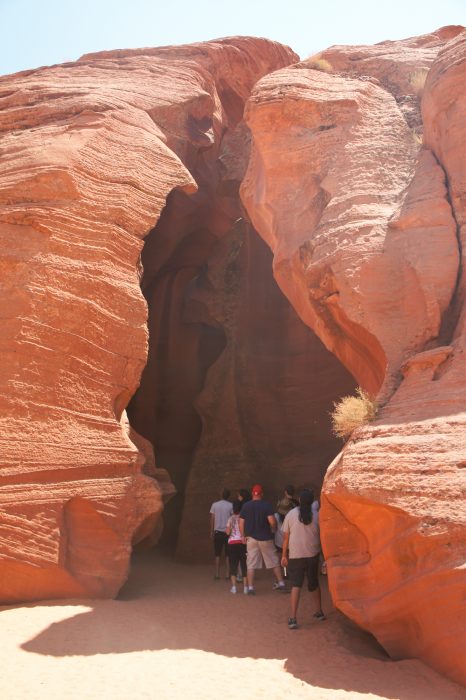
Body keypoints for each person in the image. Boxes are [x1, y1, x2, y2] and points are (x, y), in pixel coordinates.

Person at [281, 488, 325, 629]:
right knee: (314, 584)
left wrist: (283, 555)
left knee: (296, 585)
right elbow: (322, 537)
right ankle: (319, 612)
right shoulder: (317, 515)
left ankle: (293, 618)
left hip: (296, 555)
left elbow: (286, 538)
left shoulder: (291, 514)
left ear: (299, 500)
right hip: (312, 554)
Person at [239, 484, 285, 595]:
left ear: (252, 494)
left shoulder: (246, 506)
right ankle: (281, 583)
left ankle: (250, 587)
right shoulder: (266, 505)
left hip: (251, 538)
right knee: (274, 561)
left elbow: (241, 522)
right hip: (265, 537)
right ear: (262, 494)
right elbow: (272, 521)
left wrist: (242, 535)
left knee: (250, 563)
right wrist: (273, 529)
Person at [226, 500, 249, 594]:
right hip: (242, 543)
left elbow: (227, 532)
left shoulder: (230, 518)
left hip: (232, 543)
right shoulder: (244, 518)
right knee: (244, 565)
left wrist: (230, 529)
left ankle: (234, 587)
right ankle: (245, 588)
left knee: (233, 565)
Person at [210, 488, 233, 580]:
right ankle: (227, 575)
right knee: (228, 554)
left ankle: (217, 574)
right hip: (228, 533)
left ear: (221, 495)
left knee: (217, 553)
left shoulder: (215, 505)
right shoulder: (231, 505)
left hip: (217, 532)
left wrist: (211, 531)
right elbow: (232, 519)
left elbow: (212, 518)